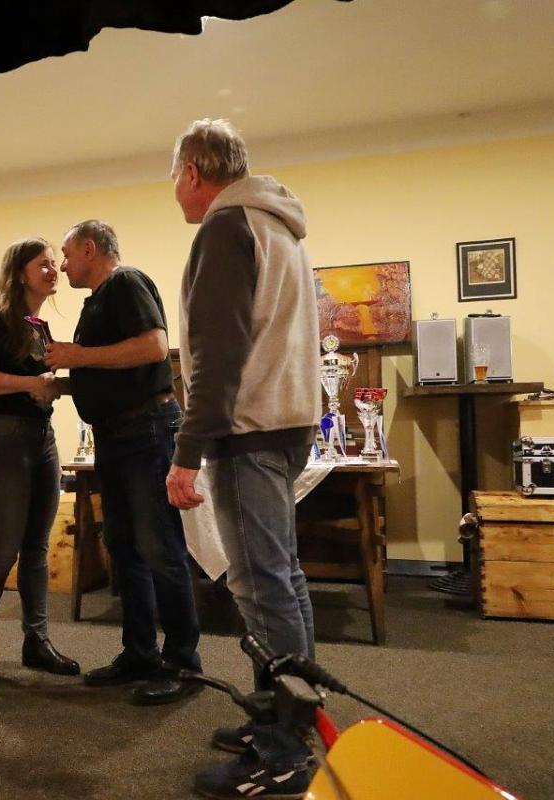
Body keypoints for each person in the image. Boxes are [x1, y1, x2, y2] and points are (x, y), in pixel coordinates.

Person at [164, 119, 321, 798]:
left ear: (194, 171)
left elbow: (219, 354)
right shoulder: (278, 226)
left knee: (261, 587)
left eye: (175, 178)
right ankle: (284, 717)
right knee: (282, 579)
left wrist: (186, 453)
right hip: (287, 422)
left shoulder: (226, 228)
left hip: (249, 429)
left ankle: (284, 752)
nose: (175, 191)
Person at [45, 220, 201, 706]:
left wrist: (76, 356)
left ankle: (183, 663)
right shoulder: (98, 301)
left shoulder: (126, 282)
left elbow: (153, 348)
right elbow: (110, 370)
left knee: (159, 548)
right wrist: (61, 384)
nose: (63, 265)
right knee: (125, 548)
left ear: (90, 249)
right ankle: (140, 652)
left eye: (67, 254)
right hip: (117, 436)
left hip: (145, 431)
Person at [0, 237, 81, 688]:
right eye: (43, 264)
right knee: (3, 550)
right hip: (2, 439)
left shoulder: (39, 326)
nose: (53, 270)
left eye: (54, 263)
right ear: (20, 273)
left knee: (36, 549)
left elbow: (39, 384)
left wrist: (60, 385)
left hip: (40, 437)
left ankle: (37, 642)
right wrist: (31, 384)